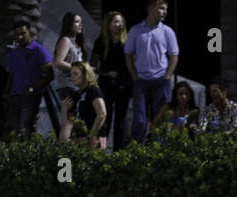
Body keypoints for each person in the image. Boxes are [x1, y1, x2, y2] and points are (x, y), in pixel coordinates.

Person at [126, 0, 179, 144]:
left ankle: (159, 151)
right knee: (140, 120)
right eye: (161, 8)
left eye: (165, 9)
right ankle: (137, 150)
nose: (165, 12)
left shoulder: (167, 31)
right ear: (151, 8)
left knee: (160, 120)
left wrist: (167, 77)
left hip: (160, 81)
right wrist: (134, 75)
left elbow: (174, 56)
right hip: (141, 82)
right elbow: (128, 54)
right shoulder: (135, 30)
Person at [5, 19, 54, 137]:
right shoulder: (14, 53)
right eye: (17, 34)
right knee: (15, 130)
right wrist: (6, 92)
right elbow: (11, 74)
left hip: (30, 97)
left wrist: (34, 88)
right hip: (15, 95)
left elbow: (50, 74)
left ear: (29, 33)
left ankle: (30, 153)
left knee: (26, 127)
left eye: (23, 33)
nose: (20, 37)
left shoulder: (39, 50)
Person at [91, 10, 132, 149]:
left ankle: (118, 152)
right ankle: (101, 149)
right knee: (105, 119)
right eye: (115, 21)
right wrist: (106, 74)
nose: (119, 24)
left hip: (124, 85)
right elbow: (93, 66)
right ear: (108, 25)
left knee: (121, 120)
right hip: (106, 84)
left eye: (121, 21)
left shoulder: (127, 42)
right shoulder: (101, 42)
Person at [60, 62, 106, 145]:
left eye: (76, 73)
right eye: (71, 74)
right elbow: (65, 122)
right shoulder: (76, 94)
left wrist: (91, 135)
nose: (72, 77)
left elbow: (102, 114)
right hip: (78, 138)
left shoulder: (93, 90)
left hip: (94, 138)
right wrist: (65, 108)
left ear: (85, 75)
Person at [54, 11, 87, 109]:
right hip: (67, 86)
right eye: (77, 21)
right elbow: (58, 62)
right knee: (70, 119)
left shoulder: (77, 43)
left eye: (81, 22)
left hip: (75, 86)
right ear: (69, 24)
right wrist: (79, 69)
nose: (80, 24)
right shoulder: (65, 40)